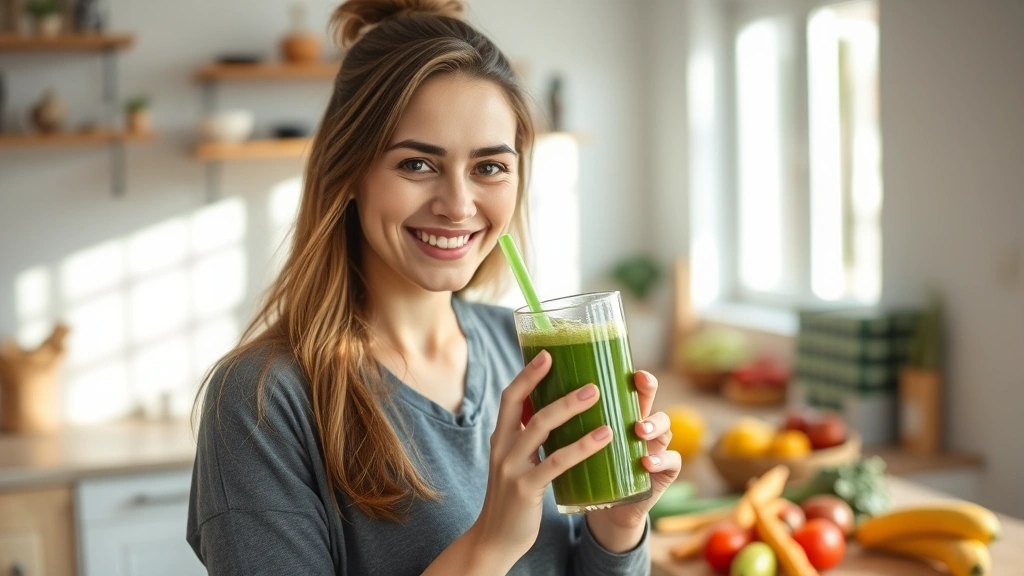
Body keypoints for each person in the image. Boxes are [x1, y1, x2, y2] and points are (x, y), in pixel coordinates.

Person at [186, 0, 681, 574]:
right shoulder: (262, 400)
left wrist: (618, 527)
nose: (458, 205)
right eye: (418, 165)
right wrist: (491, 542)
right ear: (346, 171)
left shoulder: (522, 353)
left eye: (489, 166)